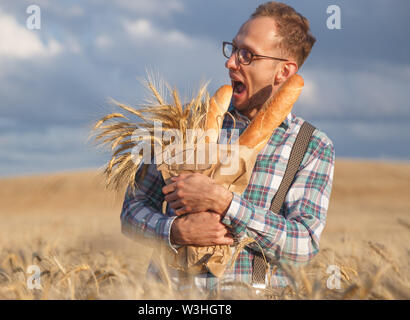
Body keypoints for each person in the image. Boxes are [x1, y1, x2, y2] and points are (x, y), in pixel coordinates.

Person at [120, 1, 335, 293]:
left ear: (283, 72)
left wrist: (225, 204)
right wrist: (174, 230)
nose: (230, 62)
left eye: (247, 55)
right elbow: (132, 210)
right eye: (232, 49)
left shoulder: (310, 146)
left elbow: (303, 244)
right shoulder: (183, 123)